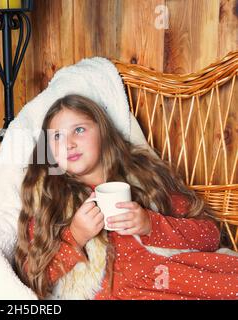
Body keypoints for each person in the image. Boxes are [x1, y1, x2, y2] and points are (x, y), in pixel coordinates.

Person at [13, 94, 238, 300]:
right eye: (57, 137)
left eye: (79, 130)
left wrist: (151, 225)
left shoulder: (146, 181)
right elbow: (32, 278)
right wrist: (75, 236)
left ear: (102, 131)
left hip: (178, 277)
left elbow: (210, 236)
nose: (69, 143)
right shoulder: (52, 203)